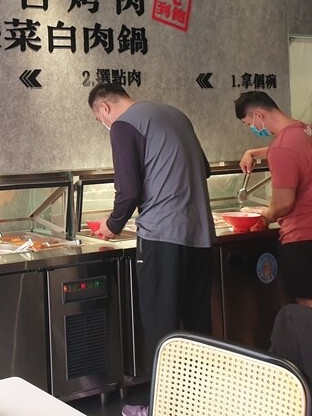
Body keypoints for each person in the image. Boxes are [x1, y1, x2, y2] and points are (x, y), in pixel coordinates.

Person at [88, 83, 216, 416]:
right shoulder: (175, 115)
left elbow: (128, 190)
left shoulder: (123, 124)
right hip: (200, 234)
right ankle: (201, 404)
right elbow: (204, 169)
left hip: (162, 237)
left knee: (162, 326)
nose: (104, 125)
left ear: (104, 108)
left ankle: (161, 408)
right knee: (197, 324)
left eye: (99, 120)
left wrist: (111, 226)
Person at [234, 91, 312, 307]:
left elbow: (284, 203)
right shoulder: (304, 130)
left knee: (307, 309)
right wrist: (254, 152)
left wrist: (266, 214)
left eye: (248, 123)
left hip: (302, 239)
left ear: (258, 116)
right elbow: (291, 150)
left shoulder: (283, 146)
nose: (252, 128)